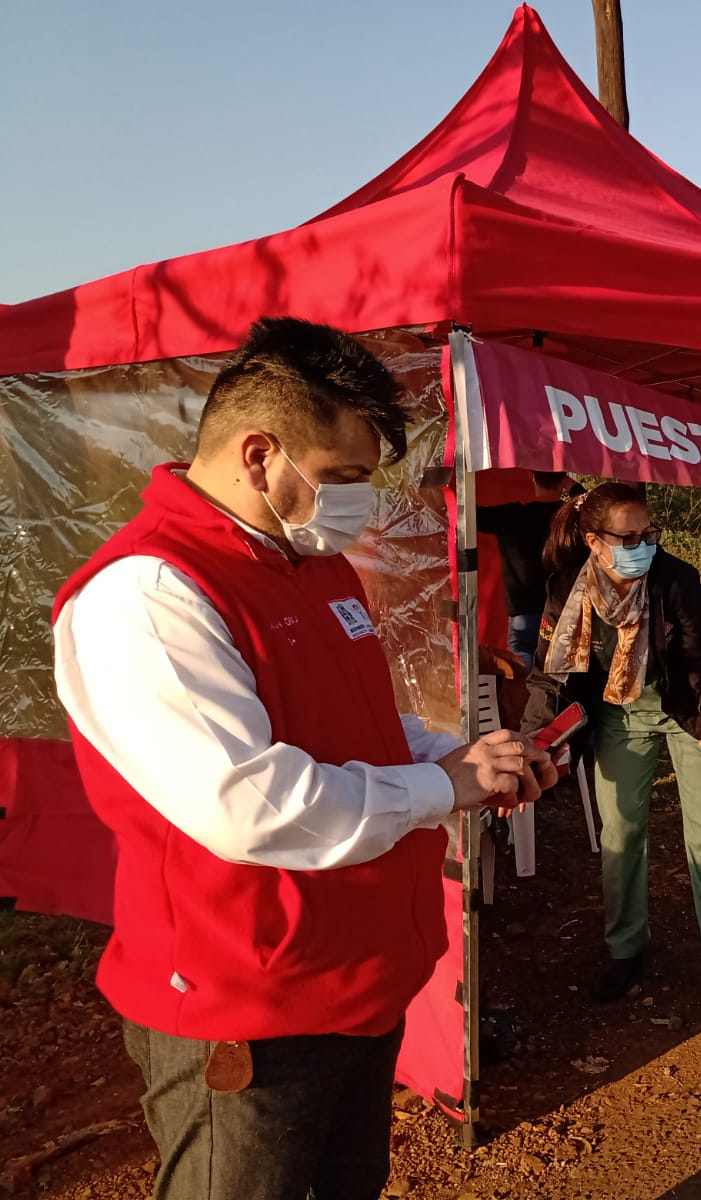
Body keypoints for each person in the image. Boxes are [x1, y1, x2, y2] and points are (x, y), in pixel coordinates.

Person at [52, 317, 558, 1200]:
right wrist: (442, 784)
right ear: (259, 454)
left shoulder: (311, 566)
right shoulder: (147, 592)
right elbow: (246, 802)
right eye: (344, 478)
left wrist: (467, 760)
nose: (358, 501)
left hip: (353, 981)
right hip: (245, 1007)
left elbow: (362, 724)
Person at [521, 482, 701, 1001]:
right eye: (630, 536)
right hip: (617, 718)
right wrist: (534, 742)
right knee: (620, 835)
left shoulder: (675, 579)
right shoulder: (567, 588)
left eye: (649, 533)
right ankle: (625, 952)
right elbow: (551, 676)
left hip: (688, 712)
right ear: (594, 541)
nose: (644, 545)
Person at [477, 470, 583, 668]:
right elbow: (593, 506)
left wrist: (444, 489)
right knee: (558, 673)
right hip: (561, 610)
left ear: (532, 478)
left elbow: (470, 515)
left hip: (523, 613)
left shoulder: (512, 516)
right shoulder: (568, 517)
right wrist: (571, 486)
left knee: (523, 676)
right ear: (563, 480)